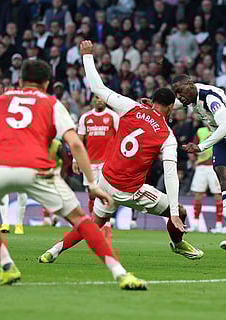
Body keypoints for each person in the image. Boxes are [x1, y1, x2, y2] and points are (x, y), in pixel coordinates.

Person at [0, 59, 145, 290]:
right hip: (37, 169)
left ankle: (7, 265)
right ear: (46, 84)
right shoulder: (51, 103)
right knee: (81, 219)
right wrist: (93, 183)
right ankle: (121, 274)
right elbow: (75, 143)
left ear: (21, 80)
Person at [38, 40, 203, 264]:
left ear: (151, 101)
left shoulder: (131, 107)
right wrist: (173, 212)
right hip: (130, 190)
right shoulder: (167, 135)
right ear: (171, 107)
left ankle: (54, 250)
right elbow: (171, 174)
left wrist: (87, 56)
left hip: (105, 180)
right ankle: (177, 243)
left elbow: (98, 88)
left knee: (93, 222)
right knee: (182, 212)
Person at [171, 74, 226, 267]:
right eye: (176, 94)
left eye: (181, 91)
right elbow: (173, 104)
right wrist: (153, 105)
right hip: (222, 141)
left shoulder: (210, 97)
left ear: (190, 85)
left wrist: (201, 147)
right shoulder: (189, 97)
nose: (180, 97)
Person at [74, 95, 119, 238]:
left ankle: (106, 225)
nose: (99, 100)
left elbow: (120, 137)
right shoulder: (85, 118)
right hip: (90, 163)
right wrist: (76, 160)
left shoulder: (113, 116)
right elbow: (78, 141)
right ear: (93, 99)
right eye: (97, 98)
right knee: (92, 194)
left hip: (107, 163)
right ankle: (95, 223)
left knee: (105, 192)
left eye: (101, 98)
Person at [188, 126, 223, 233]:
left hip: (215, 166)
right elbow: (193, 146)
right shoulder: (200, 130)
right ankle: (195, 223)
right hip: (201, 166)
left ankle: (219, 225)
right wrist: (193, 159)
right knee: (198, 195)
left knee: (218, 194)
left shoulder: (220, 129)